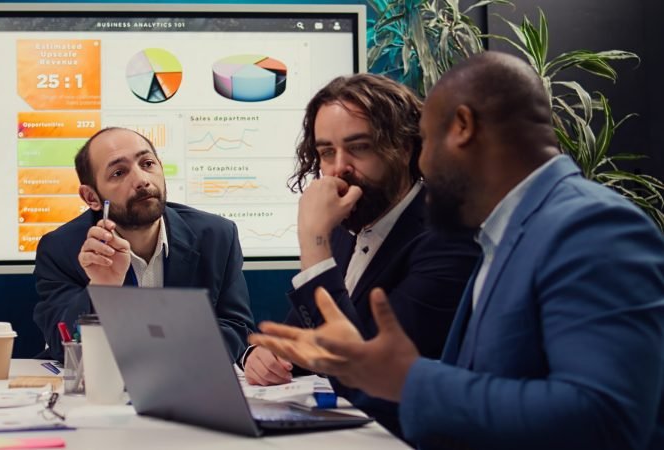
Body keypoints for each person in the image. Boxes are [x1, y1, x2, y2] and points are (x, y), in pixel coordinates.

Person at [250, 51, 664, 450]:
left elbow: (605, 418)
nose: (424, 164)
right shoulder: (509, 232)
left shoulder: (590, 226)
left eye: (426, 142)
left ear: (462, 127)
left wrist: (408, 380)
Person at [243, 74, 479, 435]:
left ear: (404, 147)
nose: (339, 168)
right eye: (326, 152)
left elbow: (365, 374)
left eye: (360, 147)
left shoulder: (447, 241)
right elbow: (301, 338)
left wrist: (313, 240)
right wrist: (265, 357)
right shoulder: (346, 223)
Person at [33, 127, 255, 363]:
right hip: (104, 388)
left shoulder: (216, 236)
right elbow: (63, 346)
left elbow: (237, 329)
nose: (141, 180)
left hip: (186, 382)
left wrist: (163, 355)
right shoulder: (62, 248)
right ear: (91, 198)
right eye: (119, 173)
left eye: (147, 164)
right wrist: (101, 289)